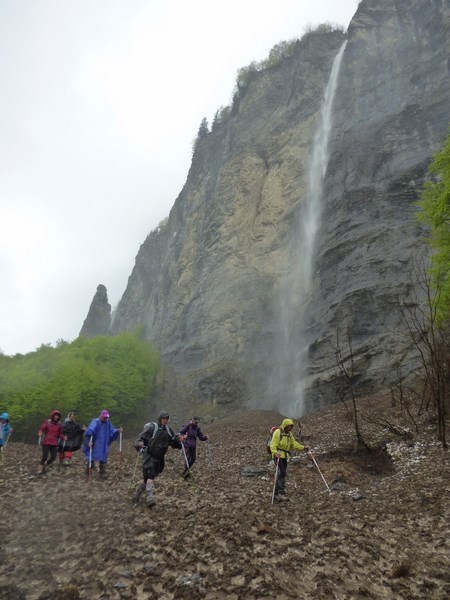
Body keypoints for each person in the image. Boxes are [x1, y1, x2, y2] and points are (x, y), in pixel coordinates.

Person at [132, 411, 185, 507]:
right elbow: (140, 438)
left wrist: (180, 441)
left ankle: (140, 495)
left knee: (148, 478)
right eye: (163, 418)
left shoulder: (168, 431)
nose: (165, 420)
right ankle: (148, 497)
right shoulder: (152, 428)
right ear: (160, 419)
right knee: (149, 477)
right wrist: (139, 444)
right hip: (149, 456)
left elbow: (174, 443)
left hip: (159, 459)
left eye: (167, 419)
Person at [270, 418, 309, 502]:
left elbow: (294, 443)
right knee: (282, 472)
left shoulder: (289, 434)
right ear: (285, 425)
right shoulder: (278, 432)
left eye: (291, 427)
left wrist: (303, 447)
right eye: (288, 426)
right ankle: (280, 493)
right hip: (278, 455)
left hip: (284, 456)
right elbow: (273, 444)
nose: (290, 428)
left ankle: (277, 493)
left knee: (282, 473)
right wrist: (275, 452)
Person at [83, 410, 122, 479]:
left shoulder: (107, 422)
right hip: (95, 443)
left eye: (106, 417)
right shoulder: (95, 421)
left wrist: (117, 431)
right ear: (101, 416)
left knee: (103, 457)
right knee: (91, 457)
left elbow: (112, 430)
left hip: (103, 443)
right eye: (104, 417)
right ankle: (88, 470)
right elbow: (91, 429)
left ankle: (102, 472)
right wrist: (89, 432)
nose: (105, 419)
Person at [37, 410, 66, 474]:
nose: (56, 417)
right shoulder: (48, 422)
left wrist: (63, 437)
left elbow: (60, 434)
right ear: (52, 416)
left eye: (57, 416)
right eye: (55, 415)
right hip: (46, 442)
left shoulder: (59, 424)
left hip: (54, 443)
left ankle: (45, 465)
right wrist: (40, 433)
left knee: (53, 457)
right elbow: (42, 429)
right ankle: (40, 468)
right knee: (45, 456)